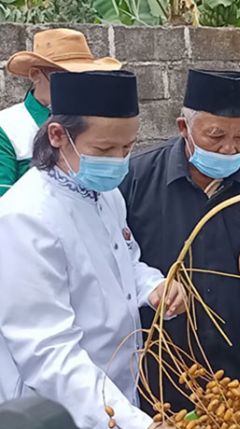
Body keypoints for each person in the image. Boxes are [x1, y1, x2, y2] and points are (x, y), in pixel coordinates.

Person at [0, 70, 185, 429]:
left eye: (127, 148)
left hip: (114, 396)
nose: (117, 161)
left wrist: (154, 287)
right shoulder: (25, 217)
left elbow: (125, 261)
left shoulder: (105, 195)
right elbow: (49, 352)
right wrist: (136, 423)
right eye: (104, 150)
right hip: (55, 409)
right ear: (57, 135)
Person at [120, 69, 240, 414]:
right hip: (158, 366)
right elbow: (119, 261)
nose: (229, 149)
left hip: (237, 369)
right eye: (215, 137)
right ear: (184, 128)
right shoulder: (135, 179)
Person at [0, 28, 121, 197]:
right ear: (36, 74)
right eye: (65, 77)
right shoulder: (7, 127)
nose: (76, 87)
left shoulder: (94, 120)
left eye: (82, 77)